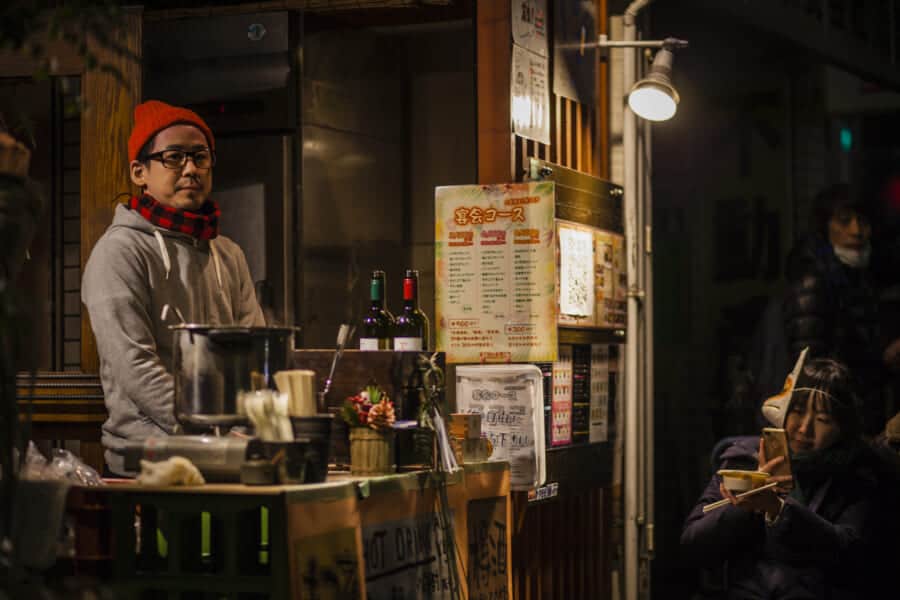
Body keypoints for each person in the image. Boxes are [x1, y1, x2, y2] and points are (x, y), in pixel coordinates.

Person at [82, 100, 264, 476]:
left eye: (200, 157)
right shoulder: (119, 251)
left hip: (229, 452)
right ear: (139, 172)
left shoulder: (228, 254)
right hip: (148, 460)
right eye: (174, 157)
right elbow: (136, 367)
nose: (191, 169)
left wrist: (253, 427)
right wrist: (213, 432)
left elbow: (255, 352)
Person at [681, 358, 898, 599]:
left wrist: (778, 509)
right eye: (797, 410)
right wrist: (748, 502)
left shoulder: (858, 476)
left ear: (842, 427)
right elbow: (694, 544)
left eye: (823, 419)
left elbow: (853, 555)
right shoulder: (744, 459)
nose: (805, 428)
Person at [781, 183, 894, 435]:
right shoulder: (813, 281)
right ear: (825, 227)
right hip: (831, 422)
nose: (856, 231)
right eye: (844, 222)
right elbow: (810, 368)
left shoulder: (860, 275)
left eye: (863, 222)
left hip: (854, 414)